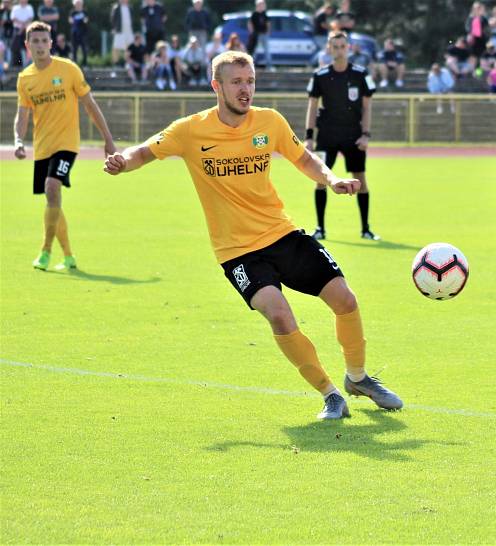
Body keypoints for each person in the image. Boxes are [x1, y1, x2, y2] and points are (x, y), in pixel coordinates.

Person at [103, 50, 402, 420]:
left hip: (283, 233)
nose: (246, 90)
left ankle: (358, 378)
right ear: (217, 86)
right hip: (237, 252)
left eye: (250, 81)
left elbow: (304, 159)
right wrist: (122, 162)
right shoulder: (190, 129)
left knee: (346, 299)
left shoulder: (269, 122)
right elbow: (145, 152)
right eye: (237, 83)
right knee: (279, 315)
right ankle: (330, 394)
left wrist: (332, 179)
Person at [14, 22, 115, 272]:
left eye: (43, 40)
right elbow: (22, 114)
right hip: (42, 146)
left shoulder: (68, 69)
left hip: (67, 144)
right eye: (34, 41)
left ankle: (45, 251)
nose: (40, 45)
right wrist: (18, 140)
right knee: (53, 199)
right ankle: (68, 256)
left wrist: (108, 138)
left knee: (52, 187)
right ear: (27, 46)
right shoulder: (25, 78)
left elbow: (89, 104)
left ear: (51, 43)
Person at [306, 31, 378, 241]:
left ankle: (366, 229)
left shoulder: (360, 74)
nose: (339, 50)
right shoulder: (319, 75)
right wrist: (309, 136)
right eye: (334, 46)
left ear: (348, 48)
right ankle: (320, 228)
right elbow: (312, 106)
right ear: (329, 49)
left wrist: (366, 135)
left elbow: (367, 107)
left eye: (342, 46)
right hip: (327, 135)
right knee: (320, 180)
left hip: (353, 135)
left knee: (361, 181)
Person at [247, 0, 270, 69]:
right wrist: (252, 32)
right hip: (256, 35)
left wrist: (268, 32)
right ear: (258, 5)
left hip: (264, 34)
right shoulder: (254, 14)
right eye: (262, 5)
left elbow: (268, 23)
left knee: (267, 50)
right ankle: (251, 65)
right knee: (254, 51)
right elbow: (249, 23)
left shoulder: (264, 14)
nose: (263, 6)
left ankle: (269, 66)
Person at [110, 0, 134, 68]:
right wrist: (114, 28)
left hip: (129, 30)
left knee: (129, 47)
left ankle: (127, 62)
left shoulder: (130, 7)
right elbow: (113, 19)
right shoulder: (116, 7)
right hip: (119, 30)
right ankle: (116, 63)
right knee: (116, 47)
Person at [10, 0, 34, 67]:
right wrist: (21, 28)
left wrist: (22, 28)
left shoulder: (30, 7)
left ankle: (28, 64)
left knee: (28, 46)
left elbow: (30, 18)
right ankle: (15, 64)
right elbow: (13, 18)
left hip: (27, 30)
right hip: (17, 30)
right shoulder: (15, 8)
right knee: (14, 47)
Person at [68, 0, 88, 67]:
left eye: (80, 4)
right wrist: (79, 20)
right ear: (74, 5)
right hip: (74, 33)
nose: (79, 5)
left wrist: (77, 20)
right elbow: (70, 21)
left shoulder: (84, 12)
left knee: (84, 48)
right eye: (77, 4)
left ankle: (85, 63)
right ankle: (74, 62)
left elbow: (86, 21)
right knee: (74, 48)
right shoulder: (72, 12)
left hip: (83, 33)